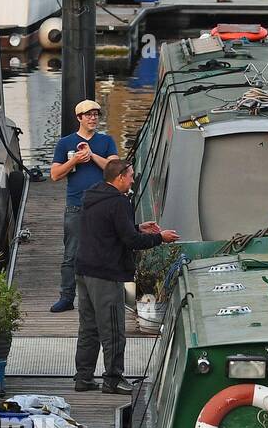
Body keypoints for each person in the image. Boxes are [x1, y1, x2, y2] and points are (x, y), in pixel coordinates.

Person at [75, 159, 179, 394]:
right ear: (120, 177)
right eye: (131, 175)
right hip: (106, 273)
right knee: (112, 329)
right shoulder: (120, 202)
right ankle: (113, 379)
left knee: (88, 327)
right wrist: (160, 237)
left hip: (84, 270)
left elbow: (110, 227)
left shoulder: (93, 195)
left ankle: (83, 377)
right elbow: (131, 242)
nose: (133, 179)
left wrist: (136, 226)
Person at [49, 100, 119, 313]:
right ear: (79, 118)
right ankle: (67, 297)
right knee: (71, 254)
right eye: (88, 115)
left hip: (103, 206)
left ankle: (103, 298)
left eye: (96, 114)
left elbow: (115, 169)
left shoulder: (106, 141)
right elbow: (54, 175)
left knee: (105, 251)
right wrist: (75, 161)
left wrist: (92, 155)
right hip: (76, 205)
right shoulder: (65, 143)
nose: (93, 118)